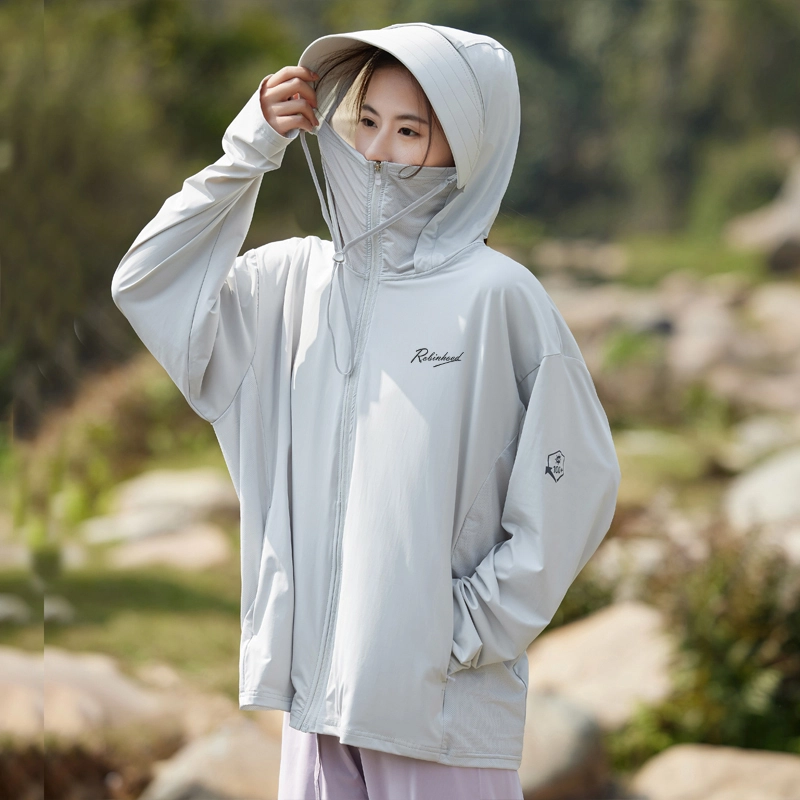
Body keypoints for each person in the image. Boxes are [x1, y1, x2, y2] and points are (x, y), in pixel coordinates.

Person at [111, 22, 621, 800]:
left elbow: (574, 479)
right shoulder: (292, 283)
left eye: (410, 130)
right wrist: (248, 149)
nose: (379, 150)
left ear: (468, 148)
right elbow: (147, 284)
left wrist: (462, 629)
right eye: (368, 120)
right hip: (315, 708)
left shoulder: (500, 298)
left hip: (439, 715)